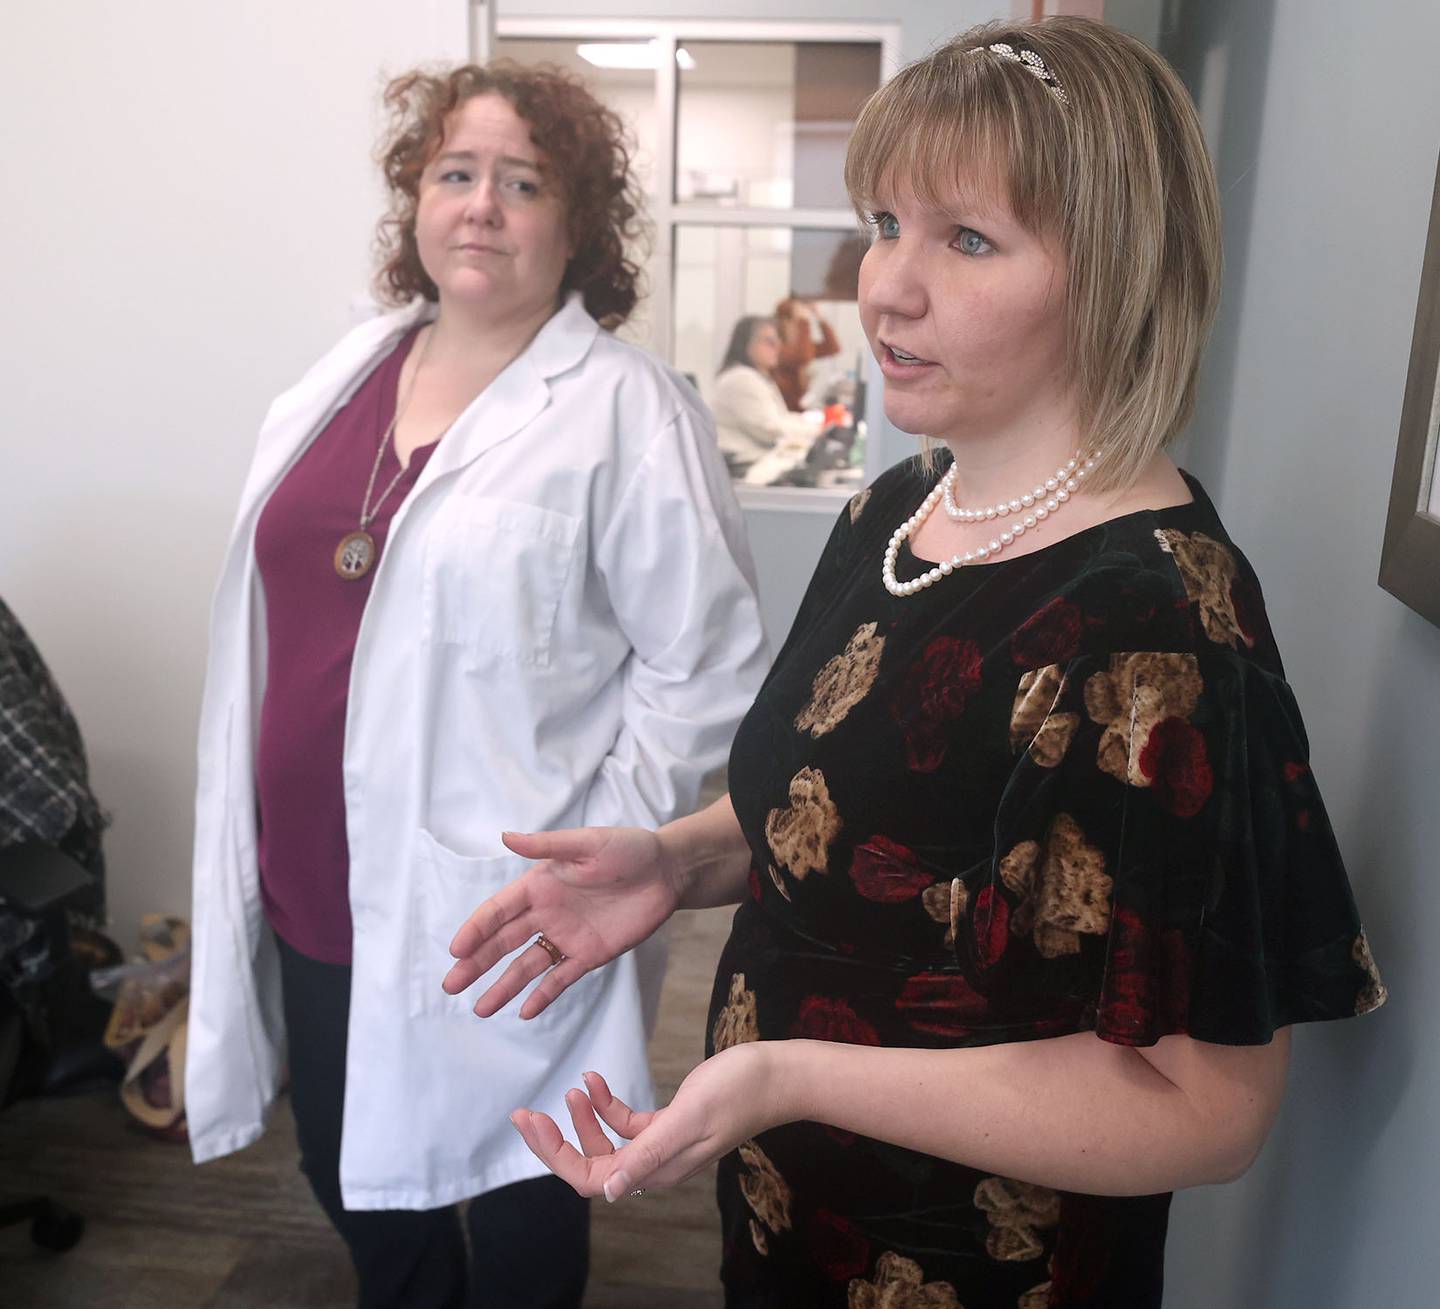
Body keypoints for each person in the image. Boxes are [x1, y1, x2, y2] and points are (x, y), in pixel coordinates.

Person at [443, 18, 1389, 1308]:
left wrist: (784, 1073)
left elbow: (1204, 1109)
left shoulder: (1154, 627)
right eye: (885, 221)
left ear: (1112, 275)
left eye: (969, 238)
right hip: (790, 1219)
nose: (883, 283)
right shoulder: (897, 508)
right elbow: (873, 807)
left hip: (980, 1269)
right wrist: (677, 857)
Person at [185, 60, 768, 1309]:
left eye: (522, 181)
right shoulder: (339, 378)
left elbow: (708, 660)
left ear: (577, 224)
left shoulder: (625, 409)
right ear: (417, 200)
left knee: (524, 1194)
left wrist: (612, 829)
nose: (482, 206)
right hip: (315, 880)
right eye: (456, 173)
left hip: (509, 908)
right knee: (345, 1169)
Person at [711, 316, 824, 483]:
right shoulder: (741, 379)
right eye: (769, 342)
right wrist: (815, 429)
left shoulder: (757, 378)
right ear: (746, 345)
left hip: (755, 462)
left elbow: (781, 418)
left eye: (778, 341)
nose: (778, 347)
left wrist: (814, 425)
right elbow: (771, 430)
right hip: (745, 469)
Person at [772, 297, 841, 412]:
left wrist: (819, 316)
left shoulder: (802, 348)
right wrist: (804, 322)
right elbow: (802, 357)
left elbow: (832, 347)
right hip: (782, 412)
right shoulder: (777, 349)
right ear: (784, 322)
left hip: (796, 411)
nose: (798, 327)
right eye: (796, 321)